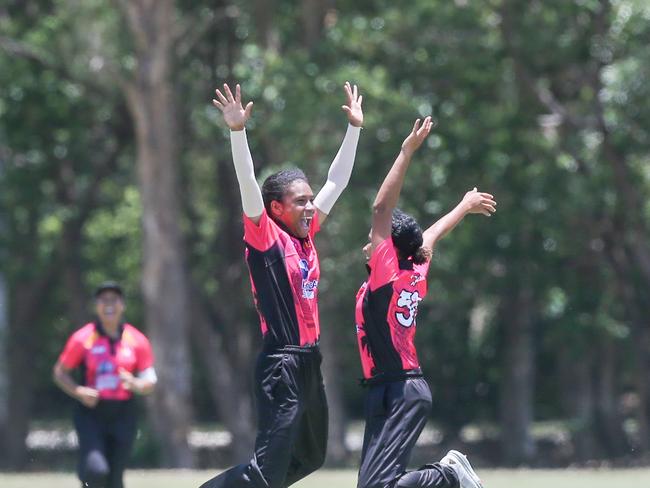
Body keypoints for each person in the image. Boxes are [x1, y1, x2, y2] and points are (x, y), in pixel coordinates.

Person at [200, 81, 363, 488]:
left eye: (310, 200)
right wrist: (238, 133)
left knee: (310, 456)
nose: (310, 206)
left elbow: (336, 182)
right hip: (281, 364)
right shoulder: (266, 237)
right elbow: (247, 186)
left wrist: (355, 129)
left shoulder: (306, 237)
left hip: (309, 361)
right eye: (301, 201)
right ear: (277, 208)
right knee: (267, 469)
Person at [355, 117, 496, 488]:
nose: (369, 242)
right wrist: (464, 206)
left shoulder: (386, 274)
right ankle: (445, 474)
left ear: (389, 249)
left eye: (375, 239)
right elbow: (432, 233)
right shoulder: (415, 265)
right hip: (388, 388)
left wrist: (406, 152)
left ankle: (446, 474)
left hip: (400, 388)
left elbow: (381, 208)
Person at [53, 282, 157, 488]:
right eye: (103, 300)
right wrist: (79, 391)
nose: (109, 305)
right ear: (96, 305)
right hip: (92, 413)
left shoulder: (137, 340)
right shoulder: (83, 338)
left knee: (114, 479)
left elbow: (150, 381)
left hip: (123, 414)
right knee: (96, 470)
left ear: (122, 305)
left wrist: (135, 383)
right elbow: (59, 372)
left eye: (114, 299)